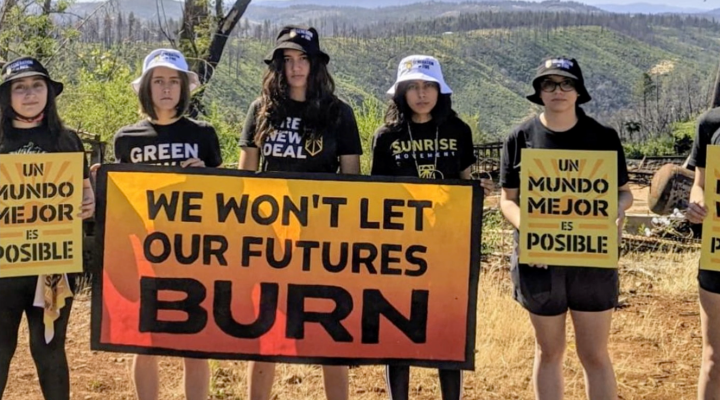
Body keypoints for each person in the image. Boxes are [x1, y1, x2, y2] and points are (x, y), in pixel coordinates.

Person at [237, 25, 362, 400]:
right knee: (265, 330)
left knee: (330, 330)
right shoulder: (261, 110)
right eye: (287, 59)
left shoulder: (339, 113)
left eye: (303, 58)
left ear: (317, 63)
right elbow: (245, 177)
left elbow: (351, 180)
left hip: (321, 239)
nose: (295, 67)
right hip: (270, 239)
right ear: (277, 65)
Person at [499, 57, 633, 400]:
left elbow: (624, 193)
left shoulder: (603, 137)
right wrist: (531, 233)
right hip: (538, 262)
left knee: (594, 354)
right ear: (539, 92)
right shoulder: (520, 137)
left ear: (578, 91)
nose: (558, 91)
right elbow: (507, 200)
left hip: (592, 261)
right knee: (548, 352)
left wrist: (611, 213)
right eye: (548, 84)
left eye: (566, 83)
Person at [370, 54, 493, 400]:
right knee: (396, 325)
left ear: (440, 90)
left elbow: (467, 182)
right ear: (402, 93)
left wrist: (478, 192)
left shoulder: (458, 130)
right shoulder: (386, 137)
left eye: (428, 86)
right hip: (401, 247)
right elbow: (377, 194)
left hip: (448, 247)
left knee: (447, 327)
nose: (421, 94)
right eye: (413, 87)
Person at [111, 48, 223, 400]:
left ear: (183, 88)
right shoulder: (126, 138)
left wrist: (206, 178)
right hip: (143, 253)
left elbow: (224, 199)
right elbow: (120, 201)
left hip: (193, 253)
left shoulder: (204, 134)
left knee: (195, 344)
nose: (166, 89)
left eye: (173, 81)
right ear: (146, 88)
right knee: (144, 343)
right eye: (158, 81)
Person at [0, 56, 95, 400]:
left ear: (49, 93)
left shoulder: (67, 140)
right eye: (20, 88)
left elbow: (85, 193)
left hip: (53, 267)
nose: (29, 94)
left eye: (37, 86)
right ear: (7, 97)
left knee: (49, 350)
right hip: (4, 270)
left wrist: (89, 204)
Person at [685, 106, 720, 400]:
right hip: (717, 257)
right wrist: (696, 205)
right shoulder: (711, 122)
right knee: (714, 361)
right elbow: (700, 184)